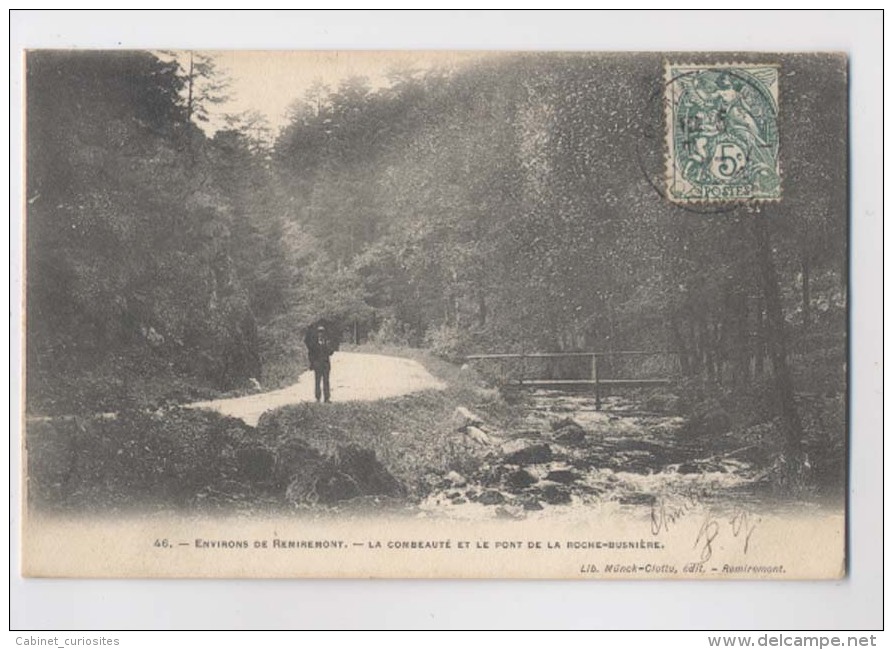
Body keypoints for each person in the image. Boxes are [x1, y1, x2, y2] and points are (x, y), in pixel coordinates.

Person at [304, 323, 335, 403]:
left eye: (322, 332)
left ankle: (327, 398)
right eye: (319, 332)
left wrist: (328, 346)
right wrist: (312, 363)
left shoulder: (327, 342)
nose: (321, 333)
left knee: (326, 381)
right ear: (317, 333)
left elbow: (331, 352)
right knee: (317, 381)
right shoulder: (314, 343)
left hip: (326, 364)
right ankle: (318, 398)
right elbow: (310, 353)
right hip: (317, 364)